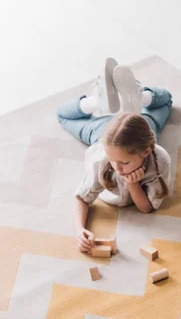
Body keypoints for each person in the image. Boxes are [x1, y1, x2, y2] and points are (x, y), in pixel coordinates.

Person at [56, 58, 173, 253]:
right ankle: (97, 102)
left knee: (166, 100)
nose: (117, 168)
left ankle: (140, 98)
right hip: (103, 132)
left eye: (124, 162)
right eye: (114, 161)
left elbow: (147, 208)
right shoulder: (102, 158)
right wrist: (79, 229)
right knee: (62, 114)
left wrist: (132, 183)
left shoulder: (159, 159)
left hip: (141, 127)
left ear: (145, 151)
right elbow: (82, 197)